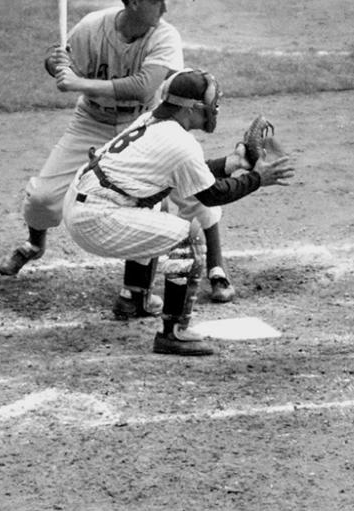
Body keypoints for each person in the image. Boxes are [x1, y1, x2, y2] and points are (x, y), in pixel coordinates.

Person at [0, 0, 239, 306]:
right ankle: (35, 244)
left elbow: (143, 88)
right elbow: (58, 63)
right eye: (157, 1)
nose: (165, 8)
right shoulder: (92, 28)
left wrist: (78, 83)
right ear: (134, 2)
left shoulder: (164, 36)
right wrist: (56, 64)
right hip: (91, 121)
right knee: (41, 199)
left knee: (191, 190)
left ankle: (217, 268)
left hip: (145, 123)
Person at [62, 69, 295, 356]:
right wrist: (259, 179)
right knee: (188, 236)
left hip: (84, 201)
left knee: (152, 201)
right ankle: (173, 332)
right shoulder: (180, 143)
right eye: (210, 105)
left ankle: (134, 297)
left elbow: (189, 175)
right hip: (97, 219)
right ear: (192, 108)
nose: (214, 110)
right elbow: (212, 195)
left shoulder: (152, 120)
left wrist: (233, 163)